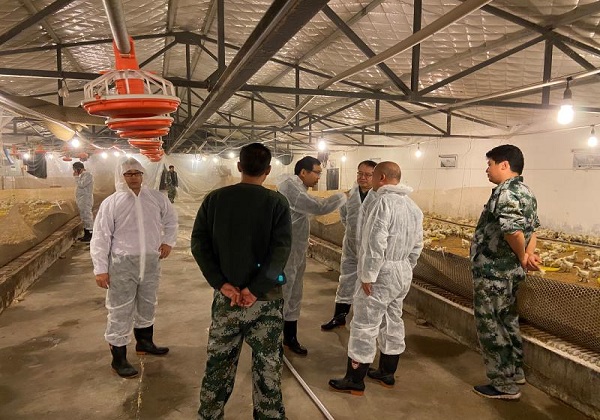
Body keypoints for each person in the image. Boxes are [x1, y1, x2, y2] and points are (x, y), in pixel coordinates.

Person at [191, 143, 292, 419]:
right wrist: (255, 289)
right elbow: (280, 251)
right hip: (265, 301)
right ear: (268, 170)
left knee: (218, 365)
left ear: (239, 166)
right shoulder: (276, 203)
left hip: (228, 299)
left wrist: (221, 283)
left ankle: (209, 415)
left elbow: (199, 244)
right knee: (267, 367)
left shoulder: (215, 200)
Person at [329, 161, 423, 395]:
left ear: (381, 177)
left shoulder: (382, 203)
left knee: (365, 323)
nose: (367, 180)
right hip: (402, 270)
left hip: (381, 272)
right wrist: (406, 267)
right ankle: (387, 372)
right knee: (393, 319)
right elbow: (418, 245)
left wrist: (368, 275)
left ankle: (355, 379)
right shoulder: (413, 207)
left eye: (371, 176)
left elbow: (375, 243)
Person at [90, 158, 178, 378]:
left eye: (137, 173)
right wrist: (100, 268)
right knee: (120, 309)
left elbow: (171, 220)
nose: (133, 177)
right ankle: (118, 357)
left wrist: (168, 241)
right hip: (122, 263)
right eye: (128, 174)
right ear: (121, 176)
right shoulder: (112, 203)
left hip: (150, 261)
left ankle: (144, 343)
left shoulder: (156, 198)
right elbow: (101, 236)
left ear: (142, 175)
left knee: (148, 302)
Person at [470, 144, 541, 400]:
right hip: (511, 273)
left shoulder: (506, 193)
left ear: (504, 165)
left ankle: (502, 384)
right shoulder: (526, 192)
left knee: (490, 324)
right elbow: (533, 229)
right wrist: (527, 255)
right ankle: (515, 371)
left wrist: (522, 255)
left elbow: (513, 230)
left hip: (494, 272)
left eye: (489, 164)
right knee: (507, 320)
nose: (486, 170)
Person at [277, 156, 346, 355]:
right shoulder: (292, 188)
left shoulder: (298, 188)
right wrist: (344, 196)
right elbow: (318, 207)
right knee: (284, 293)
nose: (318, 177)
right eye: (316, 173)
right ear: (303, 172)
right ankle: (273, 339)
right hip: (287, 251)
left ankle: (290, 337)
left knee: (294, 292)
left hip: (297, 249)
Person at [321, 160, 377, 330]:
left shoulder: (379, 197)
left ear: (375, 176)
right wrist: (355, 234)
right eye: (360, 173)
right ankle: (339, 317)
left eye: (367, 174)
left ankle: (366, 321)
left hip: (371, 249)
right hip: (351, 246)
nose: (362, 177)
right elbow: (344, 217)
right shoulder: (349, 195)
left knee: (370, 284)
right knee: (346, 280)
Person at [73, 161, 94, 242]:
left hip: (85, 199)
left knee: (87, 216)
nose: (74, 172)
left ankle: (90, 234)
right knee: (84, 216)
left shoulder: (88, 175)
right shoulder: (82, 175)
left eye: (75, 170)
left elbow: (82, 185)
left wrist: (76, 177)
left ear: (79, 169)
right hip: (82, 199)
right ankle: (86, 234)